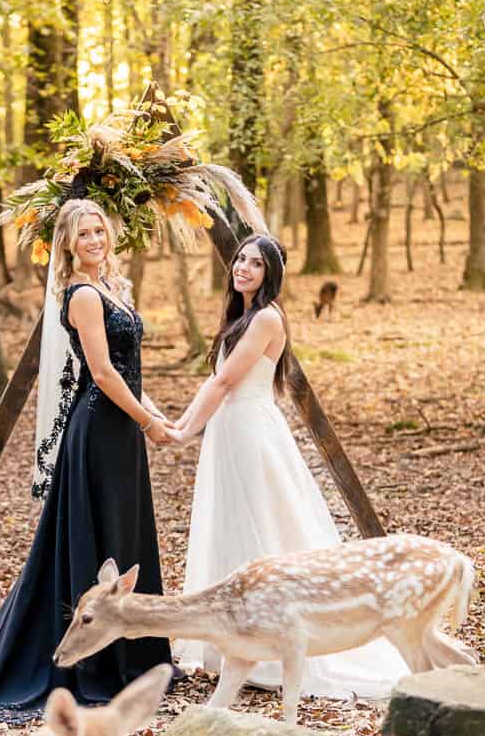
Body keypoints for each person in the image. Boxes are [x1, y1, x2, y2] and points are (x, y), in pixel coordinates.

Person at [0, 199, 174, 717]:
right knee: (98, 534)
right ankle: (100, 664)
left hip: (122, 430)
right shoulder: (81, 295)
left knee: (124, 532)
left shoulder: (111, 287)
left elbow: (130, 368)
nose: (94, 240)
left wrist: (160, 416)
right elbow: (101, 373)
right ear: (68, 245)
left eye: (99, 229)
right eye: (83, 234)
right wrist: (147, 422)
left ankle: (136, 655)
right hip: (99, 430)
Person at [170, 233, 408, 701]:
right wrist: (181, 423)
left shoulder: (265, 319)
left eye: (255, 264)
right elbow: (216, 384)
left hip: (251, 435)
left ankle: (275, 641)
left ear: (270, 274)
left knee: (265, 526)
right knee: (232, 524)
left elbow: (221, 382)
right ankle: (234, 644)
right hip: (231, 432)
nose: (242, 268)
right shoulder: (242, 317)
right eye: (240, 259)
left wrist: (181, 431)